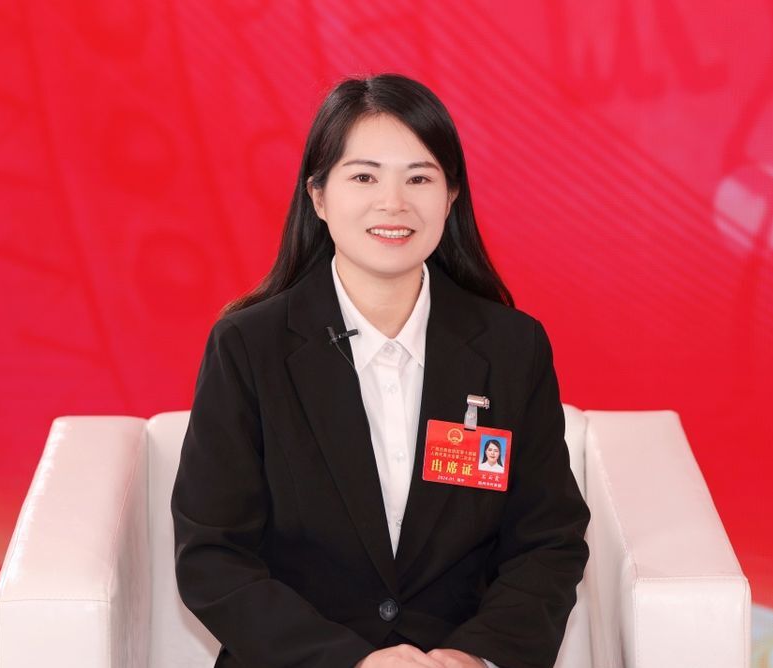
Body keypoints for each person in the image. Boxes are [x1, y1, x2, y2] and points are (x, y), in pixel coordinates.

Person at [172, 73, 590, 668]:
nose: (393, 203)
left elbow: (547, 542)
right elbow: (213, 557)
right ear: (318, 196)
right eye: (364, 177)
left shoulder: (511, 347)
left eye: (419, 178)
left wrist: (474, 657)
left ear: (451, 196)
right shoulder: (248, 346)